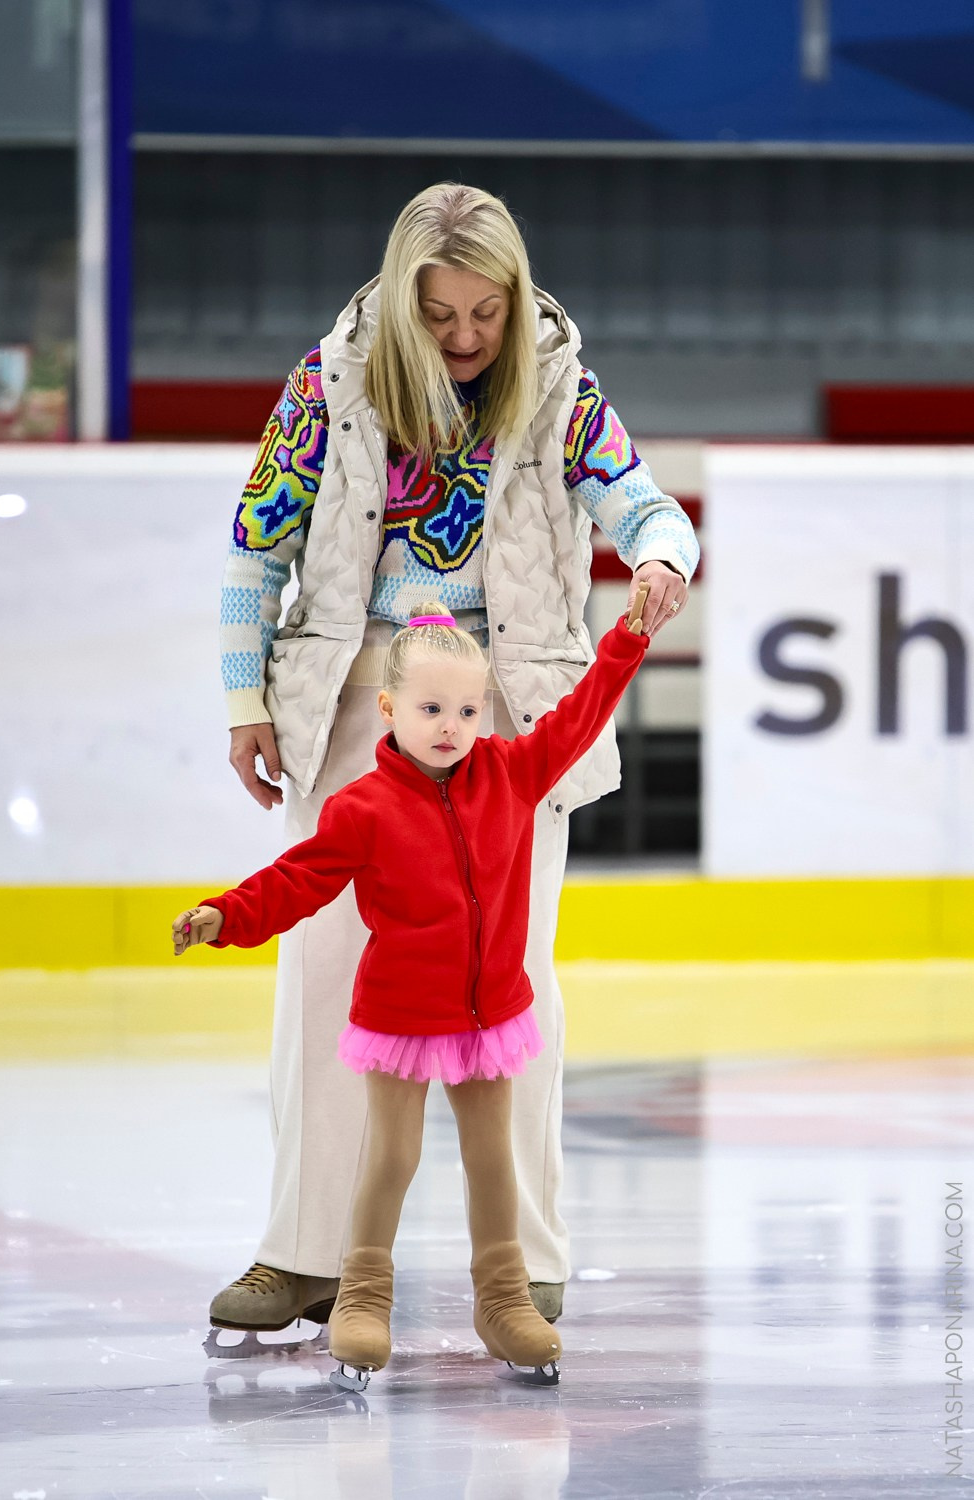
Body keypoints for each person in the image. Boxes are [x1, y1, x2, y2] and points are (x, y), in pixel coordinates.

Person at [214, 181, 699, 1348]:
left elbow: (640, 500)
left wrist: (664, 554)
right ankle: (305, 1255)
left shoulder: (557, 379)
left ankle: (526, 1266)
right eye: (442, 315)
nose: (469, 337)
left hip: (508, 698)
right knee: (326, 966)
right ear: (402, 302)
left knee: (512, 973)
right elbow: (254, 543)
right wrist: (245, 698)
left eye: (488, 310)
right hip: (358, 693)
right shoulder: (326, 384)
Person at [174, 600, 651, 1387]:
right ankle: (362, 1297)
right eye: (431, 709)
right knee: (390, 1157)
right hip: (399, 1018)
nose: (451, 725)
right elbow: (298, 880)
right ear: (389, 710)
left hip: (487, 1016)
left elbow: (583, 710)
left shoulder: (511, 772)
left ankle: (504, 1299)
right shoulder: (362, 807)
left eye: (468, 709)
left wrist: (628, 637)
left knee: (492, 1160)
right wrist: (227, 915)